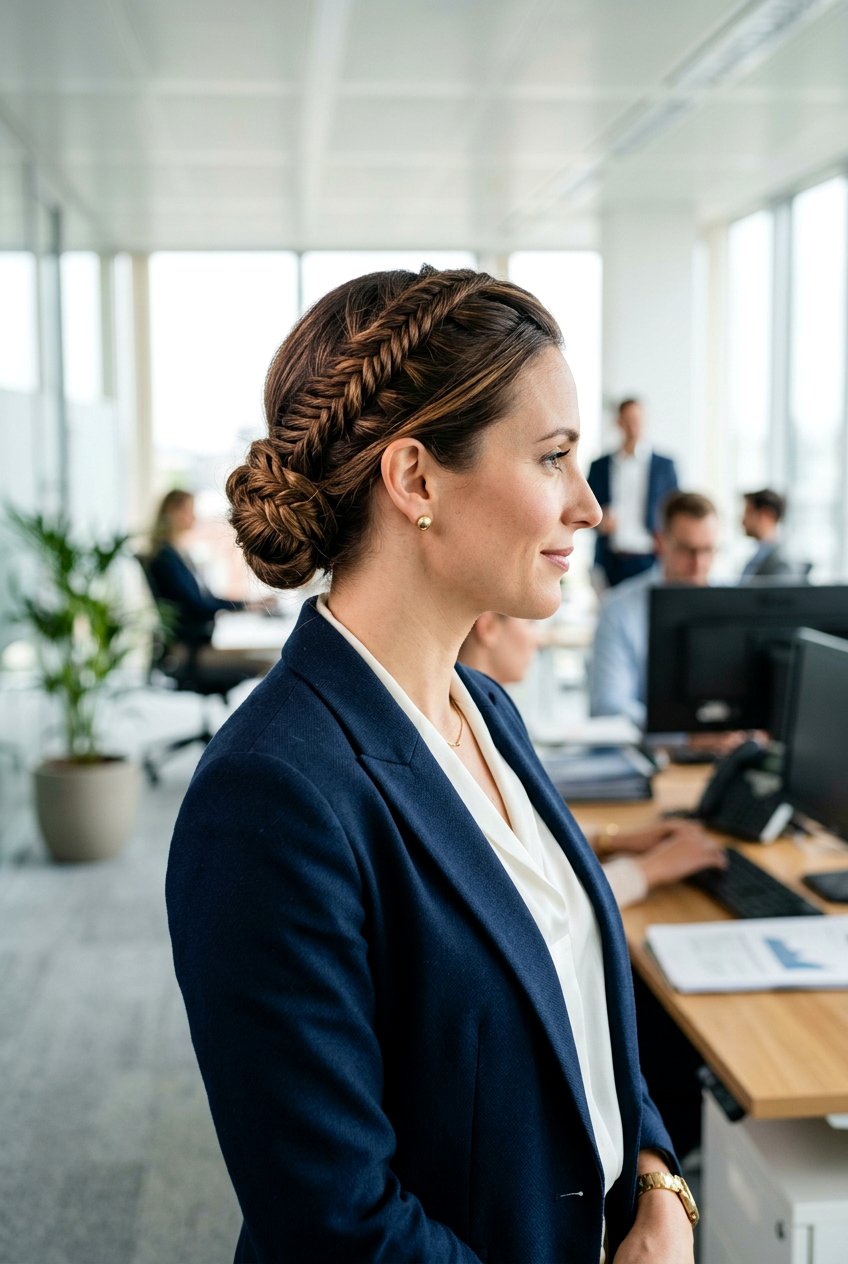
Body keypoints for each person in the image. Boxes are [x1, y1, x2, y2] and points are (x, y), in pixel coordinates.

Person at [166, 266, 697, 1264]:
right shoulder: (272, 793)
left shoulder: (484, 709)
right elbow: (335, 1221)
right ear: (414, 480)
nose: (586, 506)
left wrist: (661, 1182)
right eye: (551, 458)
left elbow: (574, 1008)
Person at [459, 613, 725, 910]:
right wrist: (651, 869)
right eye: (530, 624)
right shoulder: (464, 741)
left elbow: (531, 836)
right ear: (489, 627)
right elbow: (534, 905)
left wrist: (614, 840)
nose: (540, 639)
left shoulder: (485, 716)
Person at [589, 490, 718, 727]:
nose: (698, 564)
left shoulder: (730, 603)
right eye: (687, 549)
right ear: (660, 542)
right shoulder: (618, 609)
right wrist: (684, 733)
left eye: (708, 550)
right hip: (657, 755)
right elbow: (608, 705)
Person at [144, 488, 276, 680]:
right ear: (173, 512)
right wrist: (244, 607)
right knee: (271, 666)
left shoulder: (177, 554)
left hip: (194, 644)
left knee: (275, 661)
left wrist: (247, 604)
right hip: (188, 651)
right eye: (189, 510)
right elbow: (197, 606)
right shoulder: (165, 559)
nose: (194, 517)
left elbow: (204, 601)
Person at [587, 398, 678, 589]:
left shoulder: (664, 466)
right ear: (618, 422)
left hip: (650, 559)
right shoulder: (599, 466)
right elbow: (585, 509)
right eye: (627, 420)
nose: (633, 426)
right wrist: (600, 521)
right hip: (610, 560)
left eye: (637, 419)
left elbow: (675, 511)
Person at [740, 488, 794, 579]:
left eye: (748, 512)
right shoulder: (758, 557)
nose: (743, 521)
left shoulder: (781, 564)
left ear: (766, 515)